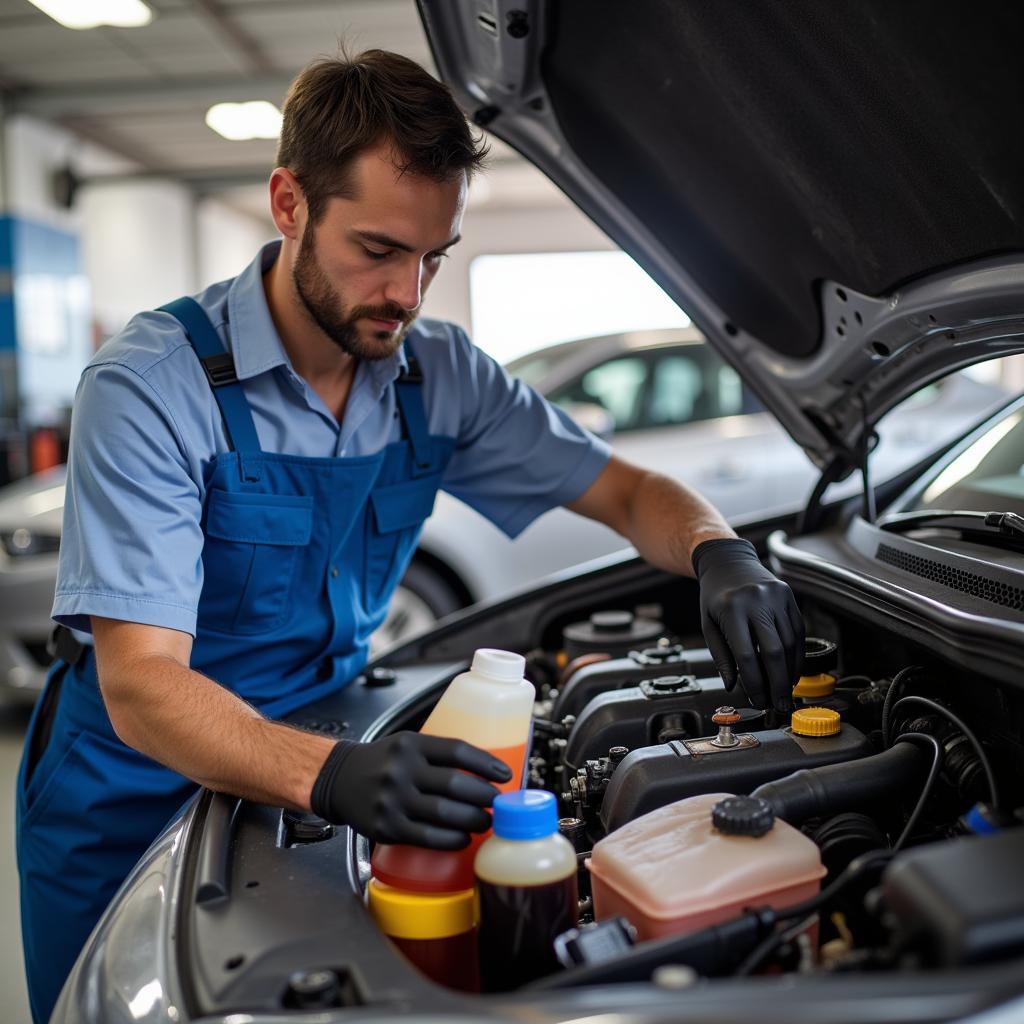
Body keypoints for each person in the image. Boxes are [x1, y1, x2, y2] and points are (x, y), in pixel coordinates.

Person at [15, 49, 804, 1023]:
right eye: (379, 249)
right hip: (129, 791)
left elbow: (631, 491)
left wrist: (717, 549)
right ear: (289, 203)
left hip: (318, 754)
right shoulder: (155, 385)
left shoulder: (439, 374)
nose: (408, 293)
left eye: (434, 257)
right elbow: (141, 684)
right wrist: (334, 777)